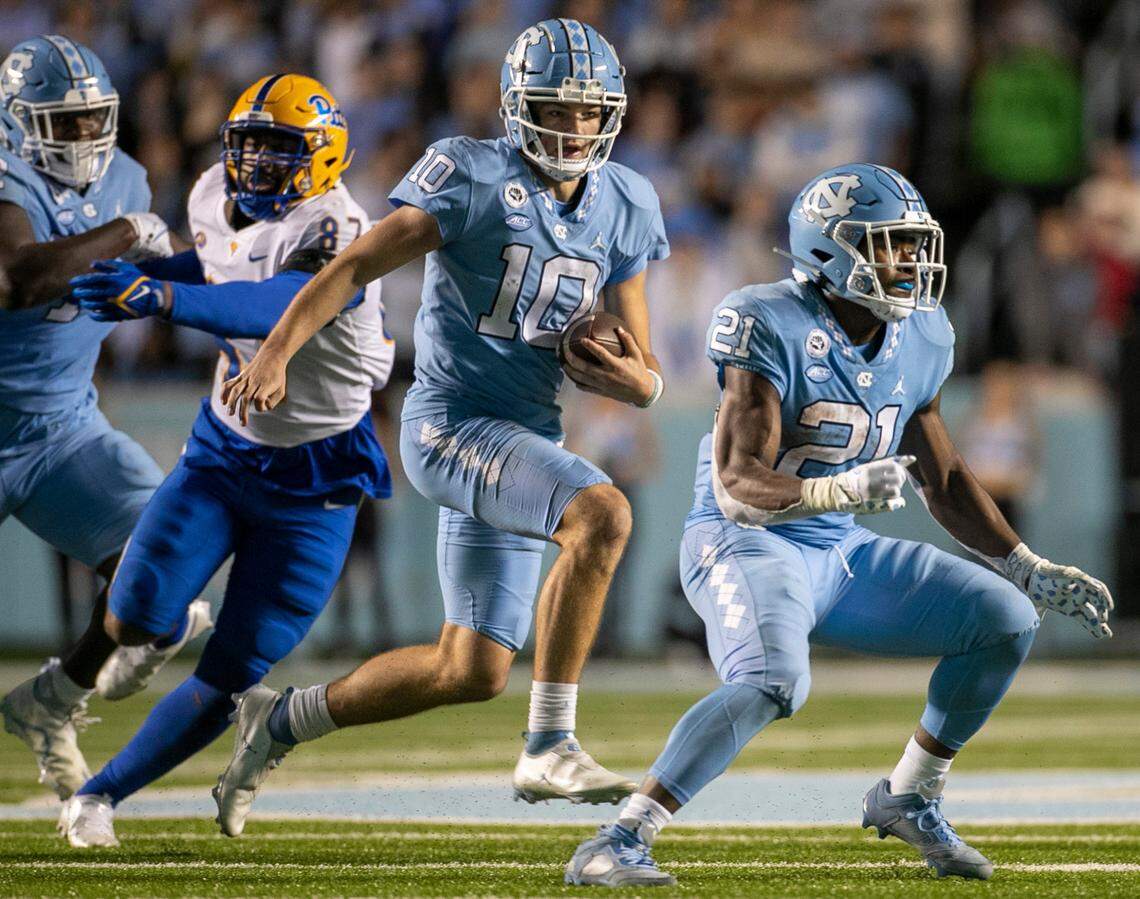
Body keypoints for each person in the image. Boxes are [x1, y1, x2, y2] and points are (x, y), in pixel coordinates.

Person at [565, 164, 1114, 887]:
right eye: (892, 245)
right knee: (773, 679)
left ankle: (911, 794)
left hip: (839, 551)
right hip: (744, 540)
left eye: (915, 245)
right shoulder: (767, 320)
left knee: (1006, 616)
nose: (912, 262)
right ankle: (620, 837)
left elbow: (942, 475)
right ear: (832, 252)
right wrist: (840, 487)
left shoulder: (921, 333)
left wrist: (1025, 565)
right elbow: (737, 484)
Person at [213, 18, 669, 836]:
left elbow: (644, 368)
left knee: (471, 669)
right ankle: (552, 741)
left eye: (587, 111)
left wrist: (638, 379)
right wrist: (278, 349)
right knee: (603, 514)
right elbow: (354, 264)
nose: (572, 127)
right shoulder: (473, 174)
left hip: (527, 436)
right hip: (449, 424)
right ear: (516, 107)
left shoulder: (629, 202)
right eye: (555, 108)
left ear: (612, 115)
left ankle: (278, 719)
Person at [56, 73, 393, 847]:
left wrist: (161, 300)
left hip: (319, 475)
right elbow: (217, 273)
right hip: (224, 449)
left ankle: (97, 795)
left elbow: (276, 303)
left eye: (279, 150)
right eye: (249, 146)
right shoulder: (212, 193)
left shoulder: (338, 225)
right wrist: (146, 281)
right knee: (138, 609)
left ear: (323, 157)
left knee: (235, 667)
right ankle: (158, 628)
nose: (258, 164)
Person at [0, 35, 209, 805]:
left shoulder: (126, 177)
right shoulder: (7, 172)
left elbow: (166, 273)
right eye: (64, 123)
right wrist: (129, 233)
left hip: (60, 430)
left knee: (168, 571)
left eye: (94, 120)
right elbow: (17, 279)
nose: (85, 139)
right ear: (18, 123)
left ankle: (52, 699)